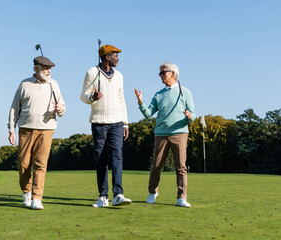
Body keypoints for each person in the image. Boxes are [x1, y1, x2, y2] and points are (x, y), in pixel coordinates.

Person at [8, 56, 66, 210]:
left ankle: (37, 198)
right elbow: (14, 108)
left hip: (47, 129)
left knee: (41, 164)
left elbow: (62, 105)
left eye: (50, 69)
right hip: (26, 129)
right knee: (24, 163)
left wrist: (60, 109)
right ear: (36, 69)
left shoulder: (54, 85)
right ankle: (27, 192)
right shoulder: (25, 84)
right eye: (45, 68)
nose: (48, 71)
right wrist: (11, 129)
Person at [134, 62, 195, 208]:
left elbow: (193, 113)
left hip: (180, 133)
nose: (161, 75)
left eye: (163, 72)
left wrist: (189, 115)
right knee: (156, 165)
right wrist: (141, 102)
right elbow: (148, 114)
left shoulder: (184, 92)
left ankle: (182, 197)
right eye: (160, 73)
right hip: (161, 133)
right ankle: (152, 193)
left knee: (180, 166)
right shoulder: (159, 94)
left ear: (172, 73)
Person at [80, 44, 132, 207]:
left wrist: (125, 123)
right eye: (116, 55)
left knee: (117, 157)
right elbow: (83, 96)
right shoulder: (92, 73)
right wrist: (93, 97)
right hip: (99, 123)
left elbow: (121, 100)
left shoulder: (119, 76)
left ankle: (118, 194)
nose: (118, 58)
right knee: (101, 159)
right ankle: (103, 196)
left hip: (117, 122)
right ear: (107, 57)